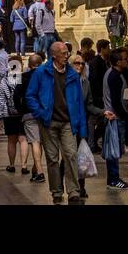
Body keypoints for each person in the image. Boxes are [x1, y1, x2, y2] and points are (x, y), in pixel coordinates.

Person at [26, 39, 88, 206]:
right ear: (54, 56)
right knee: (52, 158)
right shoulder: (41, 73)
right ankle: (56, 191)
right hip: (49, 121)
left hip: (68, 121)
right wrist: (40, 113)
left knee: (71, 155)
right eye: (63, 54)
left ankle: (74, 191)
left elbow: (79, 102)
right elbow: (30, 96)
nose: (67, 56)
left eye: (67, 53)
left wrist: (82, 128)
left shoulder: (72, 74)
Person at [71, 52, 103, 200]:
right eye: (77, 63)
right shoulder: (65, 81)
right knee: (68, 157)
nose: (80, 66)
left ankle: (80, 187)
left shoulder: (85, 82)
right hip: (67, 124)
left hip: (81, 125)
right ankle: (65, 186)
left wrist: (103, 112)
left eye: (82, 63)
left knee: (81, 157)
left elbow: (89, 104)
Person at [102, 49, 128, 190]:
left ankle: (113, 178)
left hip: (114, 116)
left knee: (114, 148)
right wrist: (126, 115)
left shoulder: (113, 74)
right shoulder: (114, 76)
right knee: (114, 149)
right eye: (125, 59)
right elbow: (116, 101)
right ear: (118, 61)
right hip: (114, 117)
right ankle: (114, 179)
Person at [16, 53, 45, 183]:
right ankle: (35, 169)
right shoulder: (46, 77)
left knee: (34, 141)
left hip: (28, 113)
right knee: (40, 142)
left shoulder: (22, 77)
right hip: (44, 113)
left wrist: (20, 110)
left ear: (29, 65)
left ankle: (39, 171)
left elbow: (15, 96)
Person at [0, 56, 30, 174]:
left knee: (11, 141)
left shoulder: (4, 81)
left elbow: (1, 99)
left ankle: (11, 165)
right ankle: (24, 165)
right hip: (22, 113)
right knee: (23, 139)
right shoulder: (24, 79)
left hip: (8, 114)